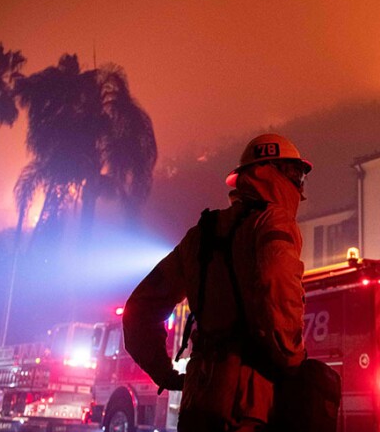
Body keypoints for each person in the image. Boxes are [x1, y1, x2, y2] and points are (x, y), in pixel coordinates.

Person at [123, 133, 312, 431]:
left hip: (198, 400)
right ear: (278, 173)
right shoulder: (274, 222)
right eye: (298, 175)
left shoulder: (200, 235)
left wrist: (165, 374)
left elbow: (139, 309)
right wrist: (293, 360)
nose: (301, 190)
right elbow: (277, 283)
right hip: (251, 407)